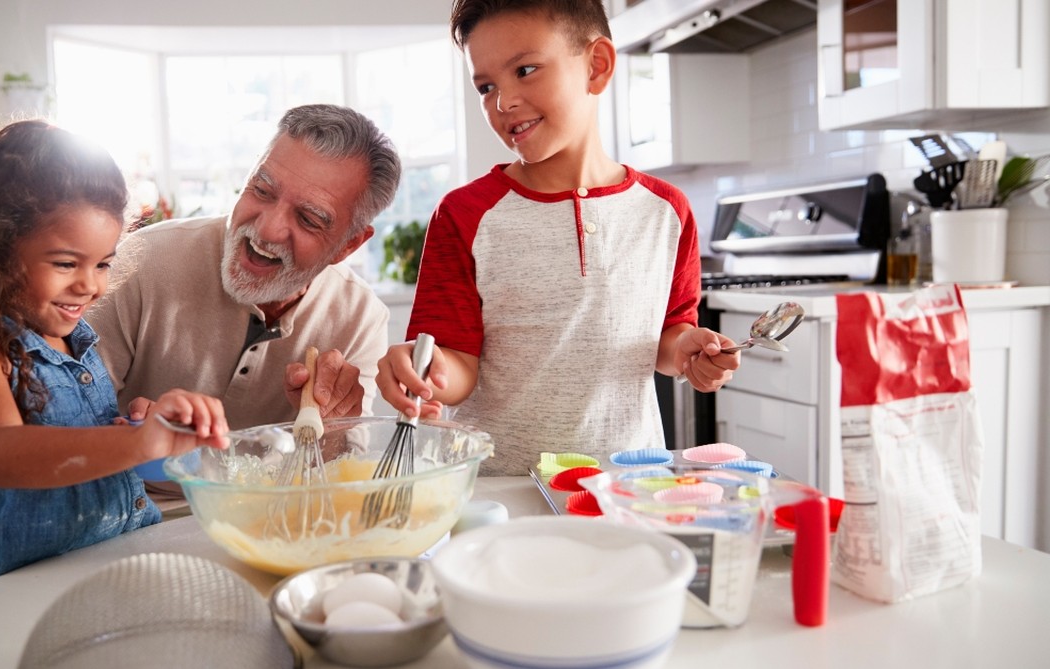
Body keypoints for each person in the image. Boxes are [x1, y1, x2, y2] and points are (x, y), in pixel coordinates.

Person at [375, 0, 739, 475]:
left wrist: (689, 350)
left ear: (597, 66)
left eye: (525, 70)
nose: (502, 102)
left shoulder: (667, 212)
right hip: (502, 488)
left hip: (627, 482)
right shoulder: (464, 214)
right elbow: (458, 365)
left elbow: (668, 335)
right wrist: (425, 372)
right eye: (486, 87)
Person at [0, 120, 229, 609]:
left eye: (103, 264)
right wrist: (134, 440)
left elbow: (76, 445)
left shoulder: (77, 342)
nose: (90, 285)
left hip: (98, 584)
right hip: (3, 608)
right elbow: (1, 453)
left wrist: (139, 426)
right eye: (67, 264)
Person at [87, 104, 402, 506]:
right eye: (262, 190)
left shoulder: (361, 317)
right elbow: (59, 427)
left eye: (308, 219)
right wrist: (131, 439)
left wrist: (334, 430)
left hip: (268, 516)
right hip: (128, 508)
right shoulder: (142, 261)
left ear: (350, 245)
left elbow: (340, 480)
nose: (267, 229)